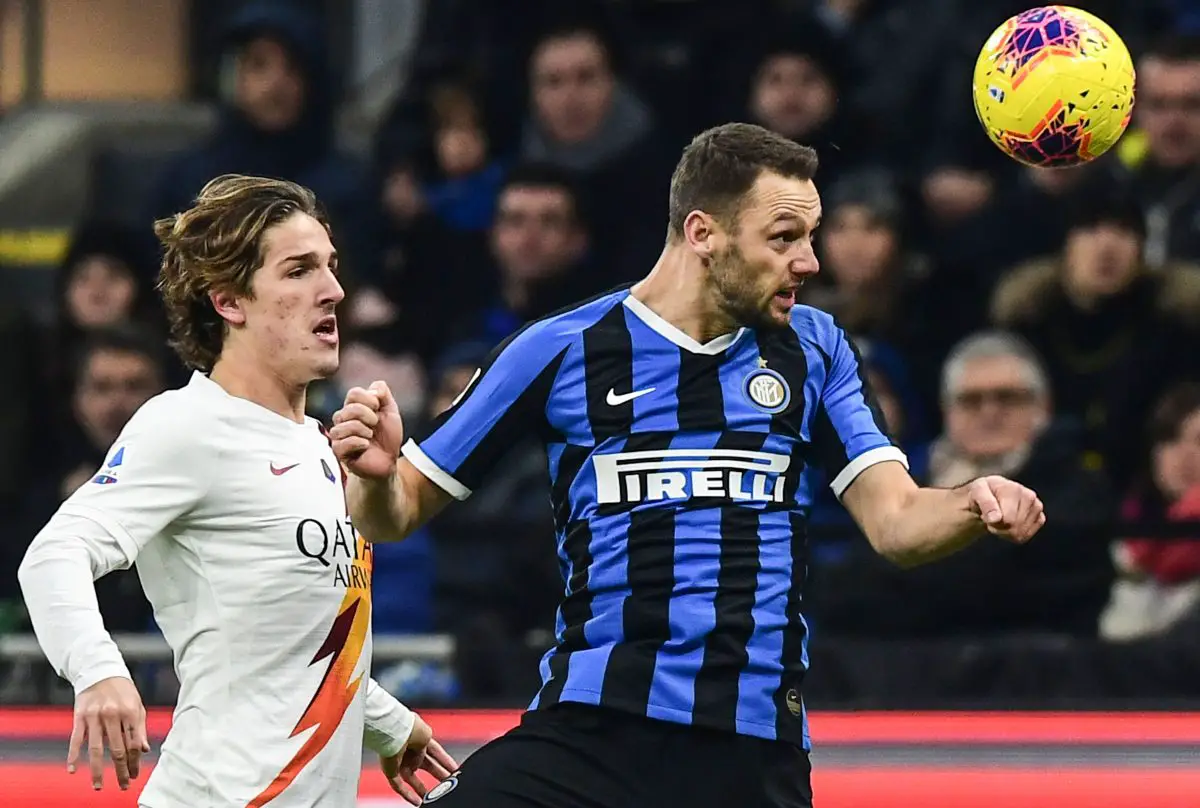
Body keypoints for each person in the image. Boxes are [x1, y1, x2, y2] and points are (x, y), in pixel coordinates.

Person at [330, 123, 1046, 808]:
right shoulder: (560, 350)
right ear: (703, 233)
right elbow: (395, 515)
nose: (811, 261)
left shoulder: (815, 349)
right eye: (784, 237)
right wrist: (372, 473)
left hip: (747, 754)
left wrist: (971, 501)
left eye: (811, 237)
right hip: (587, 733)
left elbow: (896, 522)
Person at [17, 175, 456, 807]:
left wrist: (388, 723)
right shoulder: (188, 425)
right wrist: (99, 672)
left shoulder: (323, 444)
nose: (333, 291)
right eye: (299, 271)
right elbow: (53, 555)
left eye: (330, 268)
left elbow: (289, 644)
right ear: (229, 301)